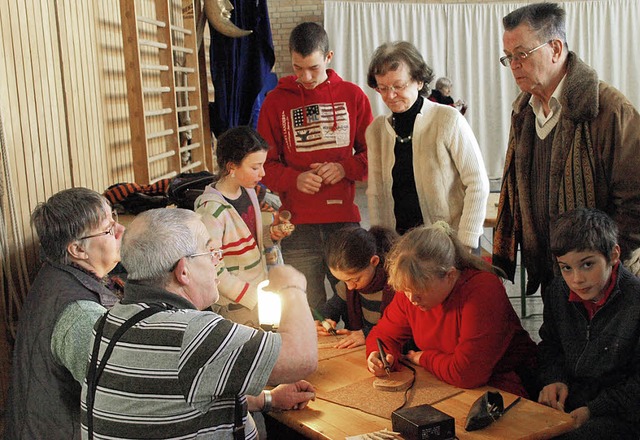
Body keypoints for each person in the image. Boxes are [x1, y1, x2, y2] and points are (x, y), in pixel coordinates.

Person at [80, 208, 318, 439]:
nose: (217, 260)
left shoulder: (109, 322)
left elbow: (169, 396)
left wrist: (269, 399)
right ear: (183, 272)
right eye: (209, 251)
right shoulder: (192, 333)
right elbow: (301, 357)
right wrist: (292, 286)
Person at [493, 2, 640, 298]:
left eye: (521, 54)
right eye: (508, 58)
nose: (514, 65)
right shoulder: (524, 111)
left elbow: (635, 203)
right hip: (552, 274)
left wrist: (599, 264)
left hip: (606, 280)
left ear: (556, 49)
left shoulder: (608, 108)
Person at [257, 21, 373, 310]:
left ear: (329, 57)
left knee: (354, 300)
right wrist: (293, 179)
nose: (305, 77)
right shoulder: (275, 102)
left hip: (343, 220)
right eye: (298, 68)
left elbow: (375, 156)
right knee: (306, 306)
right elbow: (263, 165)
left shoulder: (353, 95)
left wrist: (345, 168)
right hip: (297, 224)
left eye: (313, 68)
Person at [366, 222, 537, 397]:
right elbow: (383, 335)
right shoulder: (411, 288)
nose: (412, 299)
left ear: (450, 275)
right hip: (451, 383)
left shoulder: (483, 290)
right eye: (406, 291)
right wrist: (379, 356)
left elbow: (467, 373)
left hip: (508, 387)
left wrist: (424, 358)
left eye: (420, 290)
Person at [5, 187, 123, 440]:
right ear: (78, 250)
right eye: (109, 229)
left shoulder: (55, 275)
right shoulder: (79, 313)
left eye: (115, 219)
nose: (121, 231)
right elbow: (115, 399)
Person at [365, 41, 489, 248]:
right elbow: (376, 195)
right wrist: (382, 244)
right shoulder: (376, 131)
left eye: (398, 86)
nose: (390, 95)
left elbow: (477, 183)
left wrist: (465, 242)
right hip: (401, 247)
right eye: (383, 88)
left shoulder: (447, 119)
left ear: (419, 81)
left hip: (449, 245)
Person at [537, 208, 640, 439]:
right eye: (566, 268)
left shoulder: (635, 301)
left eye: (587, 265)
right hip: (572, 400)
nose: (577, 279)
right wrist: (555, 379)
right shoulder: (558, 293)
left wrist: (593, 410)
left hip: (620, 413)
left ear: (613, 255)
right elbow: (549, 346)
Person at [195, 126, 293, 327]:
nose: (262, 173)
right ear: (231, 167)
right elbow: (212, 267)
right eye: (255, 167)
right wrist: (252, 297)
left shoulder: (248, 193)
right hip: (236, 305)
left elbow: (249, 239)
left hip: (260, 294)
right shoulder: (211, 211)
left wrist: (271, 234)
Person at [317, 225, 398, 349]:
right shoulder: (348, 285)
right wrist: (323, 320)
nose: (350, 287)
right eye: (343, 281)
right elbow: (332, 307)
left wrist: (367, 334)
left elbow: (401, 329)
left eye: (355, 279)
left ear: (374, 262)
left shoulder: (398, 285)